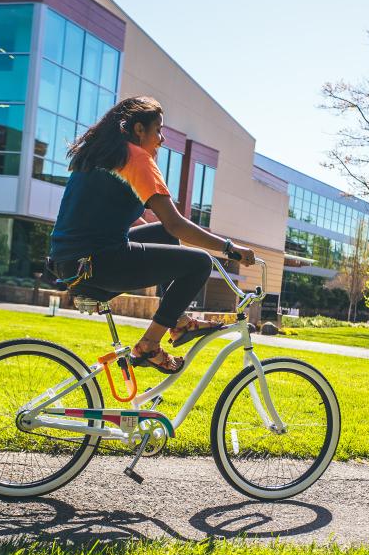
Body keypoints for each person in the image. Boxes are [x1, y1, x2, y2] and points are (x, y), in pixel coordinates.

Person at [50, 96, 255, 375]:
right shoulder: (136, 158)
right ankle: (149, 345)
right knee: (199, 263)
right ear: (138, 130)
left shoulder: (99, 156)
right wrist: (230, 248)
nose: (161, 139)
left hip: (71, 262)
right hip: (97, 262)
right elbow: (177, 224)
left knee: (161, 234)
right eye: (158, 130)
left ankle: (178, 321)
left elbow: (110, 214)